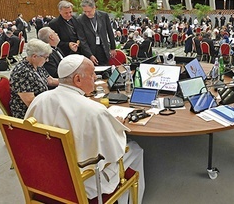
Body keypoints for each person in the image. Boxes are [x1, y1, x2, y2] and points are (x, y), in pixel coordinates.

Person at [24, 54, 145, 203]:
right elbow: (113, 151)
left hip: (44, 177)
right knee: (134, 148)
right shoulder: (94, 111)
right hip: (82, 183)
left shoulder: (39, 99)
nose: (95, 77)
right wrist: (117, 126)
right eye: (92, 73)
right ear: (77, 80)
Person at [10, 39, 59, 119]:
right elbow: (31, 103)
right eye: (46, 57)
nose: (47, 60)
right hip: (29, 115)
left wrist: (69, 82)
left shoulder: (37, 65)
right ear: (34, 56)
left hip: (42, 105)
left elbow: (50, 80)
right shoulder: (22, 72)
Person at [78, 0, 116, 66]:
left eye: (89, 11)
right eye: (85, 11)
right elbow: (82, 40)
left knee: (105, 71)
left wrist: (113, 48)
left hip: (103, 49)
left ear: (94, 8)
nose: (87, 14)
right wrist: (90, 55)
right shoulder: (80, 20)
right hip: (90, 51)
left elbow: (110, 32)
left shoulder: (104, 16)